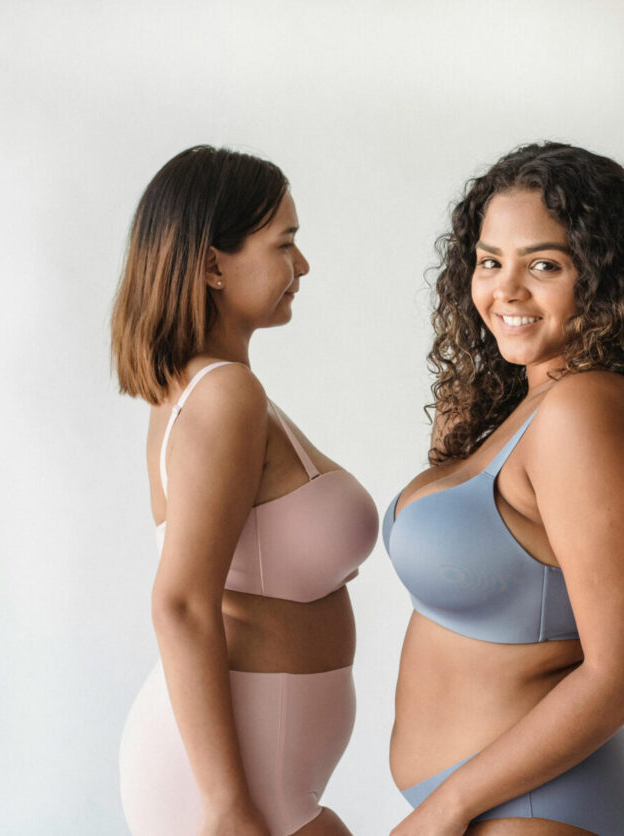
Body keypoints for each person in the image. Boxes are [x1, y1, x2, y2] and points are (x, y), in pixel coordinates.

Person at [382, 142, 624, 835]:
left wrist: (448, 808)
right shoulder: (528, 404)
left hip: (533, 807)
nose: (507, 290)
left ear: (605, 279)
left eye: (544, 265)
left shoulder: (588, 410)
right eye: (490, 262)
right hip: (494, 803)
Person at [112, 146, 376, 836]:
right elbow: (180, 602)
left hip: (266, 773)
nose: (303, 266)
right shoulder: (224, 394)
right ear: (210, 265)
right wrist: (227, 806)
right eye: (285, 244)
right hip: (233, 786)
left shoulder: (208, 391)